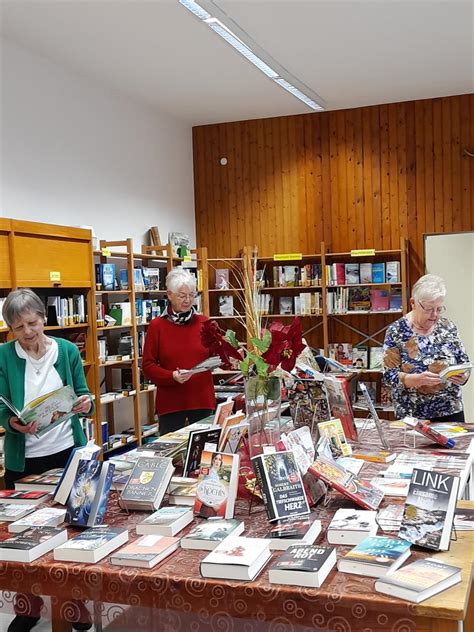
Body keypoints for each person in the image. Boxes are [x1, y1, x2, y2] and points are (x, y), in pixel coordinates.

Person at [0, 289, 93, 632]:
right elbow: (0, 405)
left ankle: (74, 603)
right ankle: (29, 606)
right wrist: (11, 422)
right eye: (19, 326)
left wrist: (85, 403)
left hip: (67, 452)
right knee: (24, 534)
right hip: (25, 459)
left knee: (71, 531)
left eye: (33, 322)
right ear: (10, 327)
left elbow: (83, 394)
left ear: (43, 318)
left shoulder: (66, 350)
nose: (28, 332)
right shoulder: (2, 356)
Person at [383, 274, 470, 422]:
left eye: (439, 309)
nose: (434, 315)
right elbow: (388, 376)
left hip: (450, 412)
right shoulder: (396, 331)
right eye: (429, 309)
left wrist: (463, 376)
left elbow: (464, 363)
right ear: (413, 303)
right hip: (412, 417)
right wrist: (414, 380)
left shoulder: (448, 327)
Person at [142, 268, 215, 435]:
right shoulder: (157, 326)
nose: (188, 300)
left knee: (204, 452)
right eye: (182, 295)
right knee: (173, 455)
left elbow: (216, 355)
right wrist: (171, 376)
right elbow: (147, 366)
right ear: (169, 295)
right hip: (171, 404)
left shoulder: (204, 322)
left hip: (202, 400)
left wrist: (228, 357)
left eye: (191, 295)